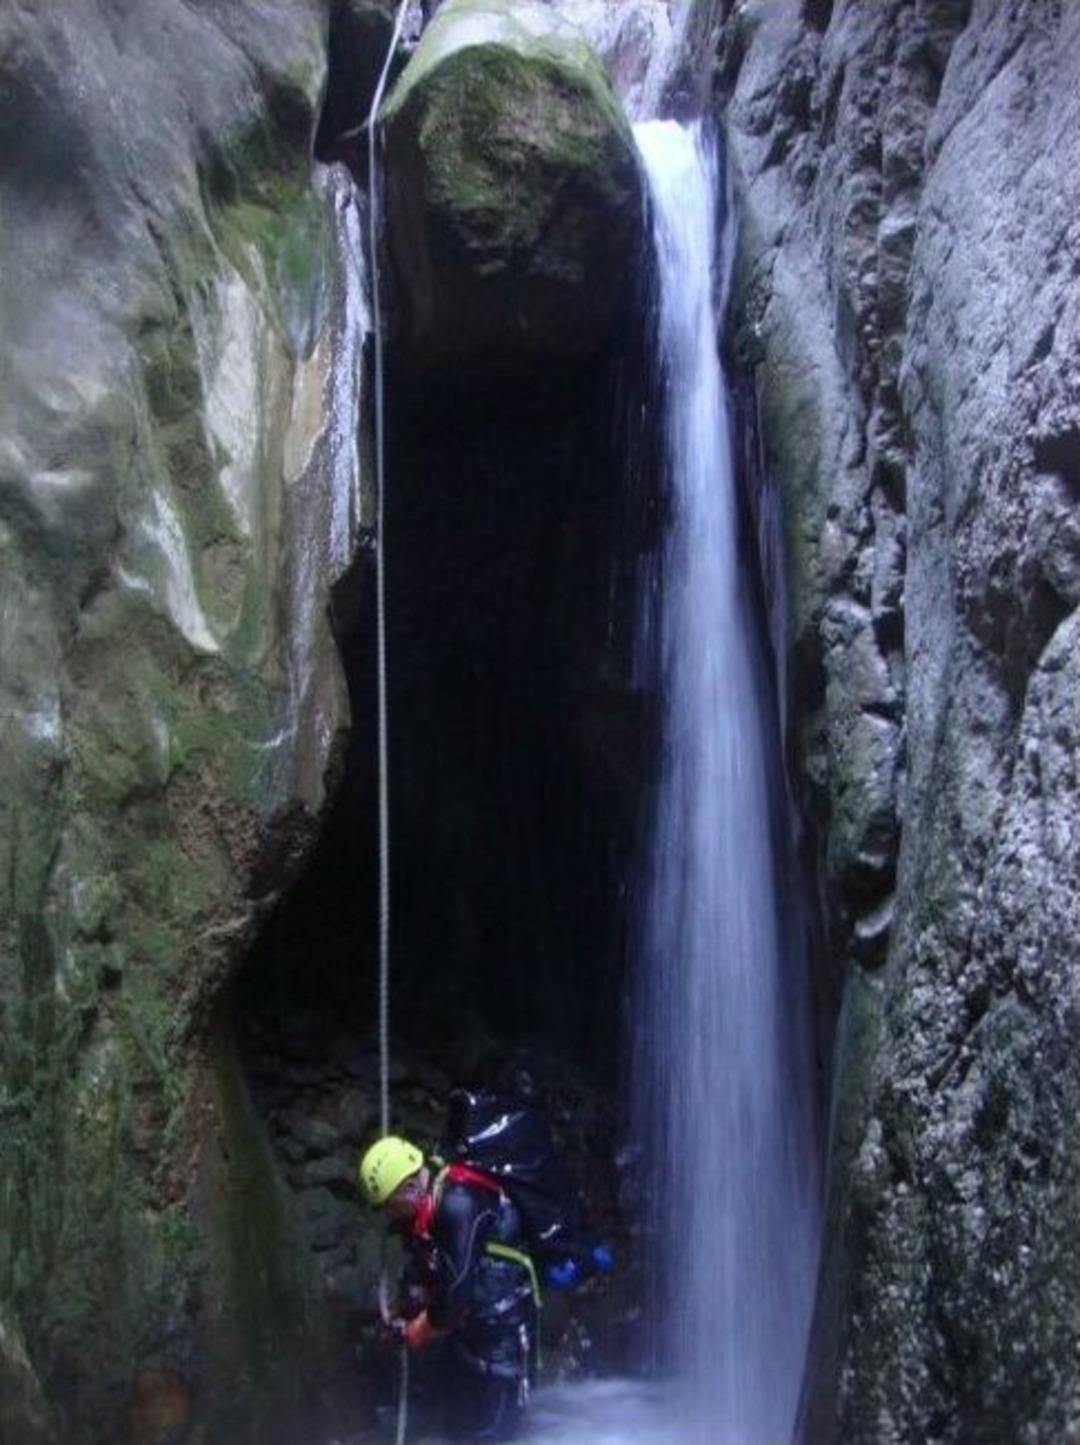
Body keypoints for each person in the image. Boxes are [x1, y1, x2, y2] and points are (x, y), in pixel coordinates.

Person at [359, 1135, 539, 1443]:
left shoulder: (459, 1203)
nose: (391, 1214)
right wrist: (406, 1310)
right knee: (459, 1426)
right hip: (471, 1329)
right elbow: (432, 1277)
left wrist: (419, 1328)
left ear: (409, 1187)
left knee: (495, 1434)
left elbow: (456, 1297)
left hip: (503, 1332)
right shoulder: (425, 1213)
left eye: (391, 1206)